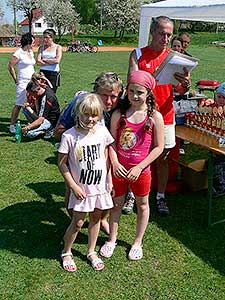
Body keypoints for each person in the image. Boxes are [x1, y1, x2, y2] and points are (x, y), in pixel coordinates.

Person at [128, 16, 191, 216]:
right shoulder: (137, 54)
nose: (165, 38)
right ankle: (131, 195)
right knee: (136, 155)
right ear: (153, 32)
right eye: (162, 33)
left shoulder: (174, 57)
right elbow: (132, 84)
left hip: (165, 114)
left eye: (169, 35)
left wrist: (186, 85)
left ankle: (160, 196)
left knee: (163, 157)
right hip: (141, 114)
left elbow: (179, 89)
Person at [100, 70, 164, 260]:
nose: (135, 96)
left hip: (141, 172)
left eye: (140, 92)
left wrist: (139, 167)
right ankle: (112, 239)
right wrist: (115, 162)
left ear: (148, 94)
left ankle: (137, 242)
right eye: (131, 91)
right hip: (119, 169)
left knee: (142, 205)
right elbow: (111, 141)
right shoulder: (119, 114)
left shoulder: (155, 117)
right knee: (116, 205)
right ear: (126, 92)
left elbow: (159, 148)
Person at [54, 72, 123, 235]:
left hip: (102, 158)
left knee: (105, 191)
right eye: (104, 96)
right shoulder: (80, 103)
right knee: (72, 190)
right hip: (78, 155)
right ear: (95, 92)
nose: (108, 101)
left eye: (113, 96)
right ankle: (74, 220)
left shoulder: (120, 104)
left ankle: (102, 219)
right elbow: (58, 131)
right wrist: (73, 142)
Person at [58, 93, 114, 272]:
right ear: (78, 113)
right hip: (82, 189)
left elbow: (106, 157)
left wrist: (109, 179)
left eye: (95, 115)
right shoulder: (69, 136)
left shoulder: (103, 132)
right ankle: (66, 251)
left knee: (96, 218)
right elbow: (61, 163)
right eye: (86, 114)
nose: (91, 119)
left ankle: (91, 251)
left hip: (100, 187)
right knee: (78, 222)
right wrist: (73, 186)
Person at [8, 33, 35, 134]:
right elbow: (10, 66)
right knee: (19, 104)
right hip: (23, 82)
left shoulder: (31, 52)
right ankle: (12, 125)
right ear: (28, 42)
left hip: (32, 82)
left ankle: (31, 123)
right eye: (32, 41)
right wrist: (16, 79)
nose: (34, 43)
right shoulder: (18, 53)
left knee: (31, 103)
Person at [36, 29, 62, 93]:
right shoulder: (41, 48)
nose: (45, 39)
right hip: (42, 73)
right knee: (41, 93)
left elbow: (57, 61)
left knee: (51, 93)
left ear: (52, 38)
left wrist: (45, 60)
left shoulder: (58, 47)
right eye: (44, 37)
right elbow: (38, 62)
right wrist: (51, 62)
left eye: (47, 37)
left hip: (53, 74)